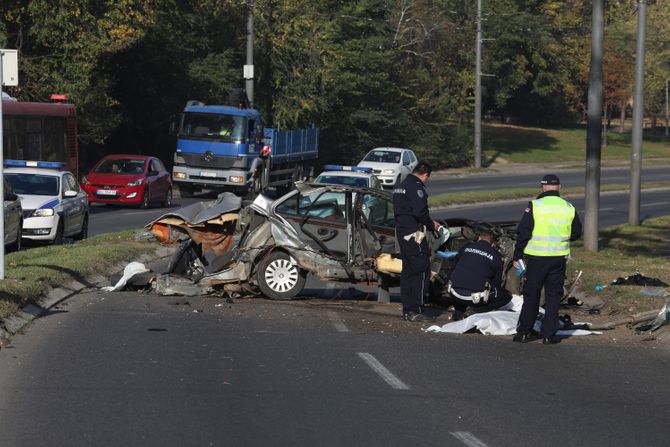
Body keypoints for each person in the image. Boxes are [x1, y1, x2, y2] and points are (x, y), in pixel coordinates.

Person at [512, 174, 582, 344]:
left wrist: (518, 255)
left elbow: (523, 233)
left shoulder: (535, 206)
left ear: (543, 187)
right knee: (553, 296)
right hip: (558, 259)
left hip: (537, 258)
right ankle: (549, 335)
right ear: (559, 187)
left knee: (532, 295)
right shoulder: (568, 207)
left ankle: (524, 332)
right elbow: (576, 233)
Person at [393, 162, 441, 322]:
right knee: (421, 268)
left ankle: (408, 309)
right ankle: (417, 309)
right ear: (426, 175)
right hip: (414, 232)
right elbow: (420, 212)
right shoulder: (416, 187)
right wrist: (431, 224)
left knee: (408, 270)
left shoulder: (401, 185)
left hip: (402, 231)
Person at [446, 229, 512, 320]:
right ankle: (474, 311)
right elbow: (496, 282)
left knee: (464, 281)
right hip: (475, 298)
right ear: (492, 244)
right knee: (506, 296)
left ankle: (458, 312)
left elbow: (453, 267)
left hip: (453, 293)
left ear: (479, 238)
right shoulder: (495, 256)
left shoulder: (466, 247)